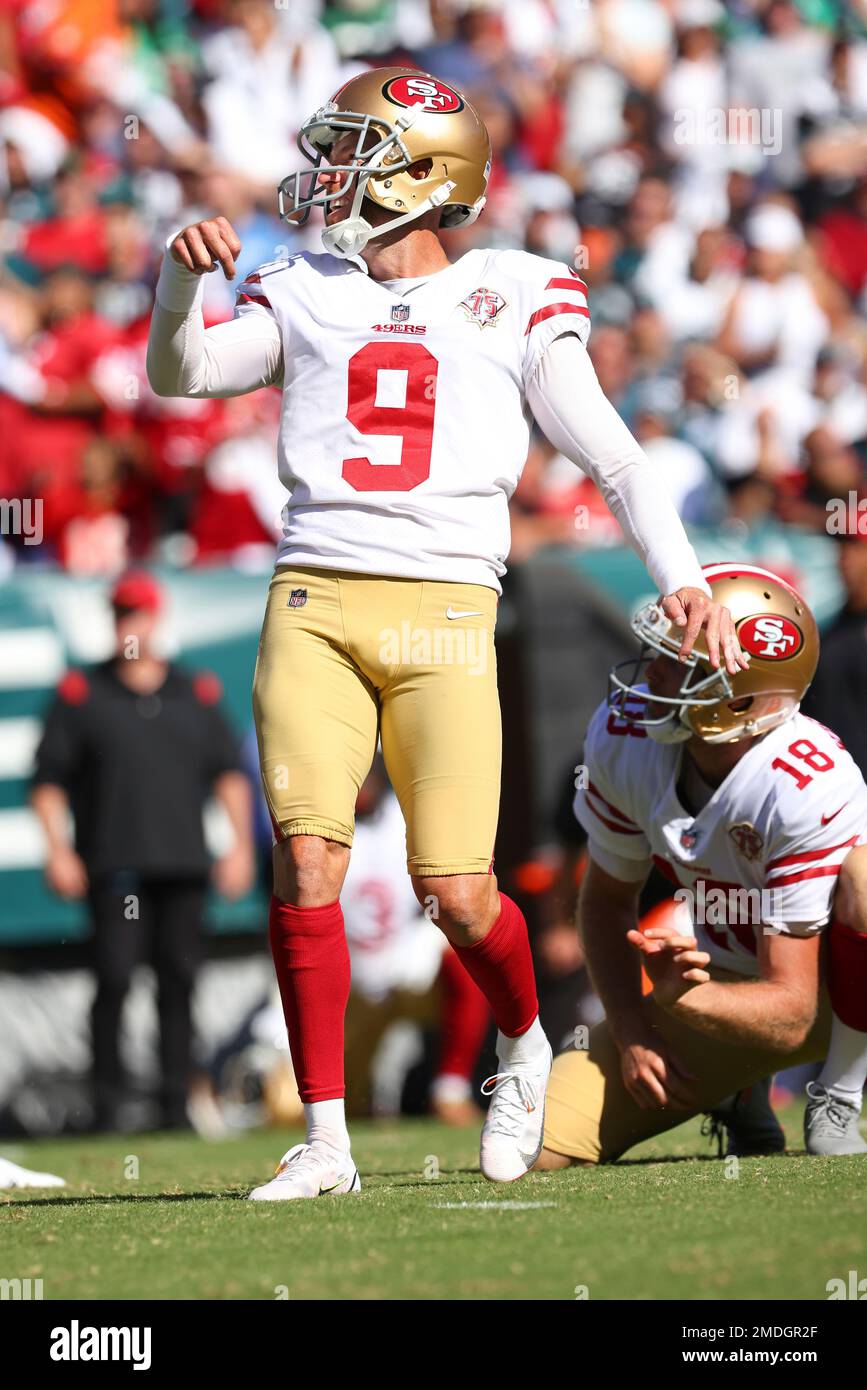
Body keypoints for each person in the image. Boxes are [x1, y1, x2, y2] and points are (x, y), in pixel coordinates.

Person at [146, 65, 744, 1198]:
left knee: (458, 891)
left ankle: (522, 1042)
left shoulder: (515, 291)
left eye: (358, 150)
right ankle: (327, 1141)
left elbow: (613, 456)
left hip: (448, 610)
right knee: (307, 856)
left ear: (425, 178)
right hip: (314, 597)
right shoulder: (304, 282)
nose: (331, 173)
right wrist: (182, 292)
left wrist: (686, 580)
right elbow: (184, 375)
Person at [536, 563, 867, 1169]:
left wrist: (686, 1001)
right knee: (541, 1145)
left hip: (835, 1001)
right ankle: (740, 1093)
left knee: (866, 883)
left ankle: (840, 1093)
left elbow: (794, 1012)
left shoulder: (804, 782)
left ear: (739, 696)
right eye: (659, 650)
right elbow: (607, 901)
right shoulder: (625, 736)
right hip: (733, 990)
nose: (653, 673)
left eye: (680, 661)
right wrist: (633, 1026)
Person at [30, 569, 255, 1131]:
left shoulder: (193, 692)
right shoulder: (83, 695)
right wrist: (58, 849)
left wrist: (238, 848)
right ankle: (107, 1105)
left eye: (139, 614)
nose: (130, 625)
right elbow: (49, 781)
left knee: (179, 980)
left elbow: (228, 775)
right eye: (121, 614)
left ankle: (173, 1104)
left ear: (157, 620)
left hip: (181, 864)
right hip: (115, 866)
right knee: (115, 976)